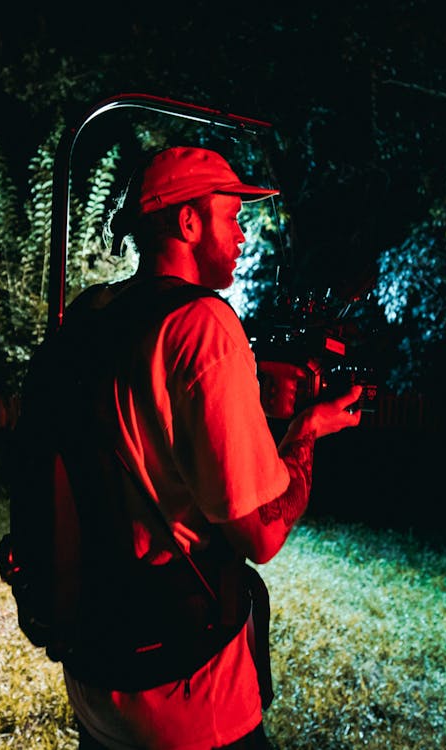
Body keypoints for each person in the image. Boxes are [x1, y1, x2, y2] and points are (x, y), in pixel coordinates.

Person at [56, 146, 362, 749]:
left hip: (96, 673)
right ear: (188, 223)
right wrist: (305, 431)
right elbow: (261, 534)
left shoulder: (90, 317)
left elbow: (144, 433)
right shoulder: (202, 324)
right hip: (184, 690)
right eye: (230, 218)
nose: (242, 236)